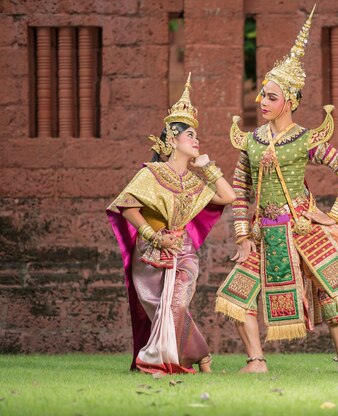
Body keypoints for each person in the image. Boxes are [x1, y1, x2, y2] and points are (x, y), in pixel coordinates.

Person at [215, 6, 338, 373]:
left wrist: (331, 216)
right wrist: (241, 236)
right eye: (262, 96)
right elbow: (239, 188)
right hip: (264, 233)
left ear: (291, 101)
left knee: (333, 294)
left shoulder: (305, 140)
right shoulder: (251, 141)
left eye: (270, 97)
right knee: (236, 295)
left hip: (301, 227)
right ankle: (256, 361)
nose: (262, 102)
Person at [107, 74, 236, 375]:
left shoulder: (194, 181)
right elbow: (127, 207)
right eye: (189, 135)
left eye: (195, 135)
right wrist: (154, 236)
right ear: (172, 139)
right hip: (150, 251)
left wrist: (209, 167)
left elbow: (228, 196)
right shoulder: (151, 173)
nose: (195, 139)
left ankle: (156, 360)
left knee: (176, 304)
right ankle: (201, 356)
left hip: (183, 250)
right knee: (158, 306)